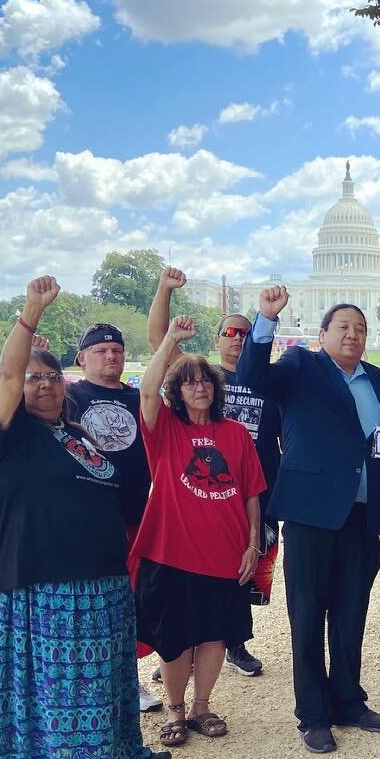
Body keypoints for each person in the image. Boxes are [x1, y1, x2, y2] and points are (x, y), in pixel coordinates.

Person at [0, 277, 166, 759]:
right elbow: (11, 371)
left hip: (102, 577)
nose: (44, 385)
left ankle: (121, 756)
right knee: (66, 689)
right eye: (34, 378)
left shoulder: (77, 432)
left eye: (52, 377)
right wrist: (31, 313)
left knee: (106, 679)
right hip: (45, 582)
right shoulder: (7, 435)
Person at [239, 287, 380, 754]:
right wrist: (265, 321)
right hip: (311, 513)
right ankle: (313, 715)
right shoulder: (302, 367)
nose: (353, 335)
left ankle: (348, 700)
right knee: (307, 614)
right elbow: (253, 375)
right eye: (344, 327)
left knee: (350, 613)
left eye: (360, 329)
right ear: (323, 335)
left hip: (362, 514)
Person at [129, 316, 266, 747]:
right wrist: (170, 339)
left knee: (214, 634)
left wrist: (251, 546)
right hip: (173, 552)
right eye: (188, 383)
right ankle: (174, 709)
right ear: (179, 391)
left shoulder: (236, 434)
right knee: (174, 639)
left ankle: (202, 705)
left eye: (204, 381)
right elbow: (148, 390)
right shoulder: (166, 430)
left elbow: (251, 494)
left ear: (215, 387)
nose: (199, 388)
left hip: (225, 554)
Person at [149, 267, 281, 678]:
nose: (238, 338)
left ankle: (235, 641)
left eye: (246, 332)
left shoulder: (271, 379)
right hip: (204, 485)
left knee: (247, 565)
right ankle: (179, 647)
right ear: (217, 339)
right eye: (231, 332)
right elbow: (158, 341)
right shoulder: (200, 376)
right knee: (192, 568)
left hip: (257, 483)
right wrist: (164, 289)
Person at [65, 319, 160, 712]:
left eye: (117, 351)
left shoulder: (138, 398)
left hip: (134, 513)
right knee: (88, 606)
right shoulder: (69, 397)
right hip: (85, 520)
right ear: (82, 358)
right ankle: (88, 682)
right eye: (101, 351)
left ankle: (128, 679)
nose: (110, 357)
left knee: (130, 601)